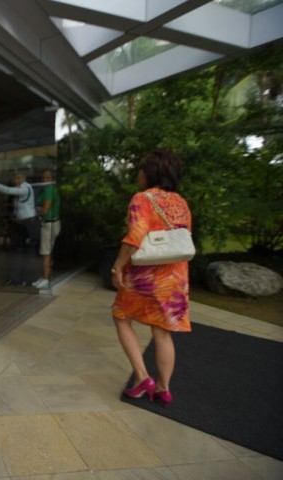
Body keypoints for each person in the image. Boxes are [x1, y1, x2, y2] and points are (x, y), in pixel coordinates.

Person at [111, 147, 192, 407]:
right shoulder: (181, 202)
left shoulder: (142, 198)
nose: (138, 175)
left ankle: (142, 377)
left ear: (149, 172)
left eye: (140, 170)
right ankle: (163, 389)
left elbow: (135, 236)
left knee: (121, 317)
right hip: (174, 277)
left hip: (145, 276)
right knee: (163, 333)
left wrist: (118, 266)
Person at [0, 172, 39, 286]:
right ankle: (16, 278)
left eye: (19, 178)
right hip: (21, 222)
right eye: (15, 179)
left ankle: (25, 279)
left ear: (24, 178)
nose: (16, 181)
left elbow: (7, 190)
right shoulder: (22, 188)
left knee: (26, 252)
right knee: (17, 251)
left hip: (28, 223)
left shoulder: (25, 188)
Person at [32, 169, 61, 289]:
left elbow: (44, 210)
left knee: (46, 253)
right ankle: (44, 277)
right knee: (46, 252)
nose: (45, 180)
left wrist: (35, 208)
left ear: (52, 179)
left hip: (49, 224)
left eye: (48, 178)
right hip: (50, 223)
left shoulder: (49, 189)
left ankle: (45, 279)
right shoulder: (47, 189)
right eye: (43, 178)